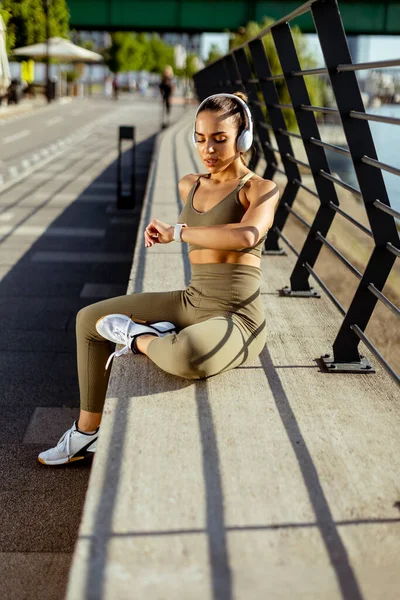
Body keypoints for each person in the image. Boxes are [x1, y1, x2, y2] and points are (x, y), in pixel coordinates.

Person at [38, 91, 280, 466]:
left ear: (243, 137)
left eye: (220, 138)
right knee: (89, 320)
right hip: (191, 300)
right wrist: (171, 231)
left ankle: (141, 340)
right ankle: (86, 433)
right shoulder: (190, 184)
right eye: (200, 138)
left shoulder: (260, 188)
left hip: (238, 317)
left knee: (186, 355)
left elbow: (247, 236)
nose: (209, 149)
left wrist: (178, 232)